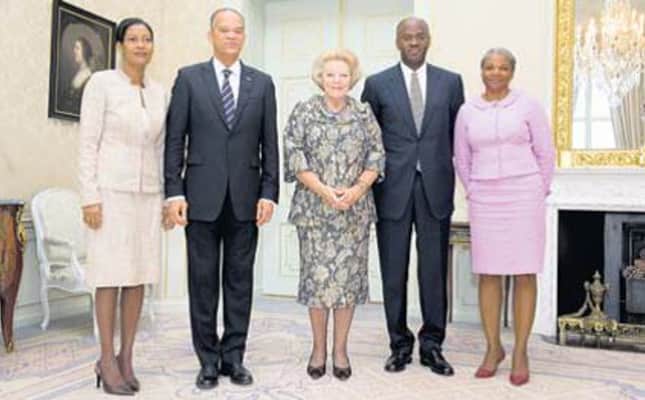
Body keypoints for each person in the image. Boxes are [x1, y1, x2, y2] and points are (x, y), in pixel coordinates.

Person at [164, 8, 279, 390]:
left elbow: (270, 144)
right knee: (202, 282)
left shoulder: (263, 83)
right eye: (224, 30)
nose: (231, 36)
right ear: (211, 34)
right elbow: (174, 140)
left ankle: (234, 358)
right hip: (199, 197)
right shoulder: (188, 79)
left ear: (244, 36)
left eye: (237, 30)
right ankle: (208, 361)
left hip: (246, 199)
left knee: (239, 282)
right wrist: (174, 192)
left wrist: (269, 193)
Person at [361, 17, 464, 376]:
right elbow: (368, 140)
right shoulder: (377, 84)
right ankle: (399, 345)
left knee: (434, 272)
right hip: (392, 189)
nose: (414, 42)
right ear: (398, 41)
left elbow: (458, 136)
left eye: (420, 36)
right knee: (393, 272)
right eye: (408, 37)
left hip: (436, 188)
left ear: (429, 40)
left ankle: (432, 345)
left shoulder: (451, 82)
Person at [453, 48, 555, 386]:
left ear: (512, 72)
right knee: (488, 273)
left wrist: (538, 189)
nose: (495, 73)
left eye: (502, 68)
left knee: (525, 271)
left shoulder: (528, 105)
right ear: (481, 70)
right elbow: (461, 158)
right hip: (485, 198)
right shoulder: (468, 111)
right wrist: (474, 189)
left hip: (524, 195)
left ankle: (521, 351)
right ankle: (493, 347)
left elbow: (545, 152)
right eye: (489, 67)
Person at [283, 49, 385, 381]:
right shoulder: (304, 111)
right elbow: (294, 156)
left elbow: (377, 155)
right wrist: (324, 191)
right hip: (315, 212)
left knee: (347, 285)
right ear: (320, 78)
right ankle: (318, 350)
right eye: (331, 75)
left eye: (343, 75)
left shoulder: (364, 113)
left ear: (351, 79)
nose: (337, 81)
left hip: (354, 213)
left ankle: (340, 351)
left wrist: (357, 189)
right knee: (317, 284)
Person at [79, 18, 166, 396]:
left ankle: (126, 356)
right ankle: (105, 358)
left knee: (138, 275)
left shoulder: (159, 92)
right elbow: (88, 143)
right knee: (109, 275)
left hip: (148, 195)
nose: (141, 45)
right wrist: (90, 196)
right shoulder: (101, 84)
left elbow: (161, 148)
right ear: (120, 45)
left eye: (146, 39)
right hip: (110, 194)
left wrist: (165, 197)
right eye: (133, 39)